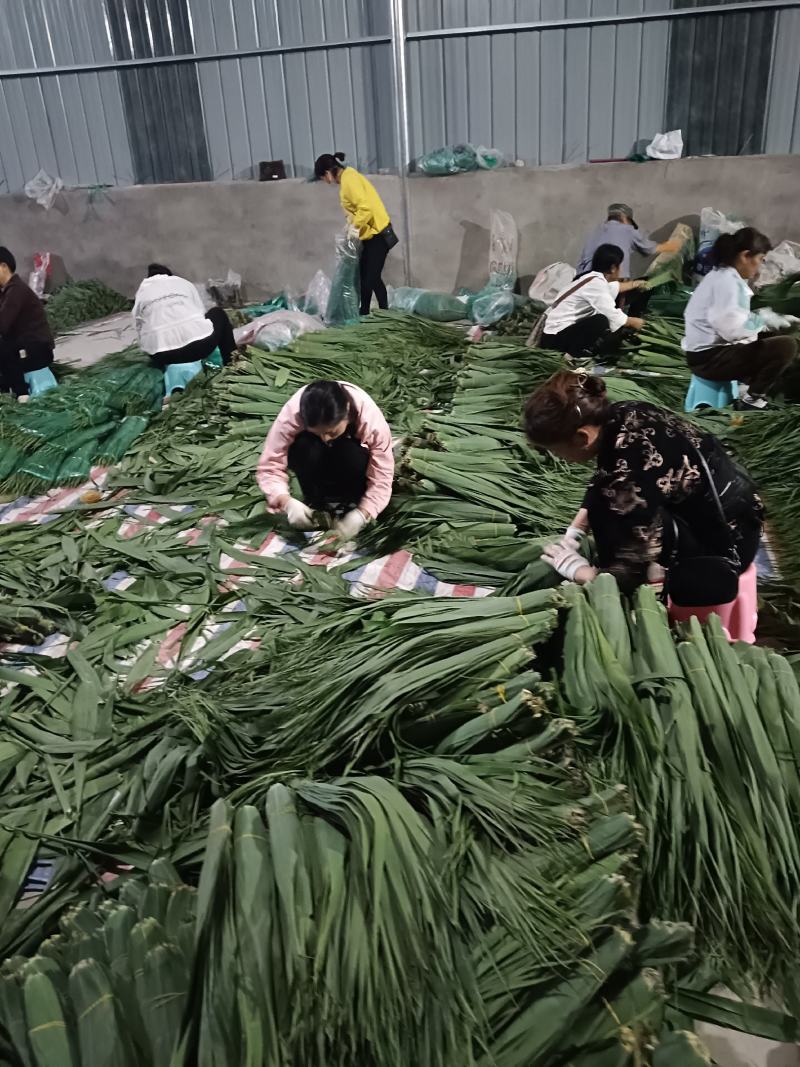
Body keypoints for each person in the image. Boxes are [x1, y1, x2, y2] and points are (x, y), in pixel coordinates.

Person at [524, 370, 763, 642]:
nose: (558, 457)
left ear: (581, 438)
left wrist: (581, 572)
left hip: (726, 545)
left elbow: (628, 573)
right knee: (607, 507)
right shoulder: (624, 413)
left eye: (555, 450)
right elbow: (606, 474)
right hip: (740, 510)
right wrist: (578, 525)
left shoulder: (628, 479)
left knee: (612, 517)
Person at [257, 379, 394, 540]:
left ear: (347, 412)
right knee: (304, 446)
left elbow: (383, 474)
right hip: (314, 461)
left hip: (349, 457)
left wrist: (364, 512)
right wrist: (284, 500)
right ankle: (314, 498)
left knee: (351, 454)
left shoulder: (370, 419)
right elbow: (270, 465)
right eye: (318, 432)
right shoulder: (293, 413)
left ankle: (350, 497)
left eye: (332, 432)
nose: (325, 439)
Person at [682, 227, 798, 410]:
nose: (760, 266)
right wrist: (763, 320)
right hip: (709, 361)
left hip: (710, 353)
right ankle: (752, 400)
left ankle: (749, 386)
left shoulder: (724, 276)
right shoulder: (726, 283)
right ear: (745, 256)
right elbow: (732, 330)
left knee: (779, 334)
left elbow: (736, 318)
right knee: (786, 346)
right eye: (760, 259)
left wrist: (767, 321)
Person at [313, 152, 397, 317]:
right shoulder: (349, 178)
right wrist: (350, 225)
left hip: (379, 234)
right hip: (371, 234)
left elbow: (365, 208)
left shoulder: (349, 180)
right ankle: (374, 312)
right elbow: (357, 209)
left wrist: (355, 227)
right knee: (368, 276)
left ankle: (375, 314)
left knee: (369, 279)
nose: (325, 181)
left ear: (328, 173)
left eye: (323, 177)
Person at [542, 244, 646, 359]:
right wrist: (640, 324)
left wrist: (635, 284)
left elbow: (612, 288)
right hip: (553, 341)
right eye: (620, 266)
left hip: (554, 335)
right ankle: (569, 358)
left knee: (599, 321)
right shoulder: (596, 284)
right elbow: (613, 315)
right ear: (613, 268)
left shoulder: (591, 278)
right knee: (600, 321)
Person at [133, 264, 236, 370]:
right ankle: (232, 363)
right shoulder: (182, 283)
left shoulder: (142, 292)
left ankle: (164, 370)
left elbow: (138, 327)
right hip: (201, 348)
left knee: (151, 339)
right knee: (218, 313)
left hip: (162, 356)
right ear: (169, 274)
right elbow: (200, 312)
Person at [576, 203, 682, 283]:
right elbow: (651, 248)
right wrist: (676, 244)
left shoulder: (595, 231)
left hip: (583, 280)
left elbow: (581, 262)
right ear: (624, 218)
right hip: (609, 281)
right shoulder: (627, 230)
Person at [0, 246, 55, 397]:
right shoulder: (5, 292)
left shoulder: (16, 290)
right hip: (22, 348)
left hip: (36, 351)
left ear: (3, 267)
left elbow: (2, 325)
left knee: (2, 347)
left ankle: (22, 394)